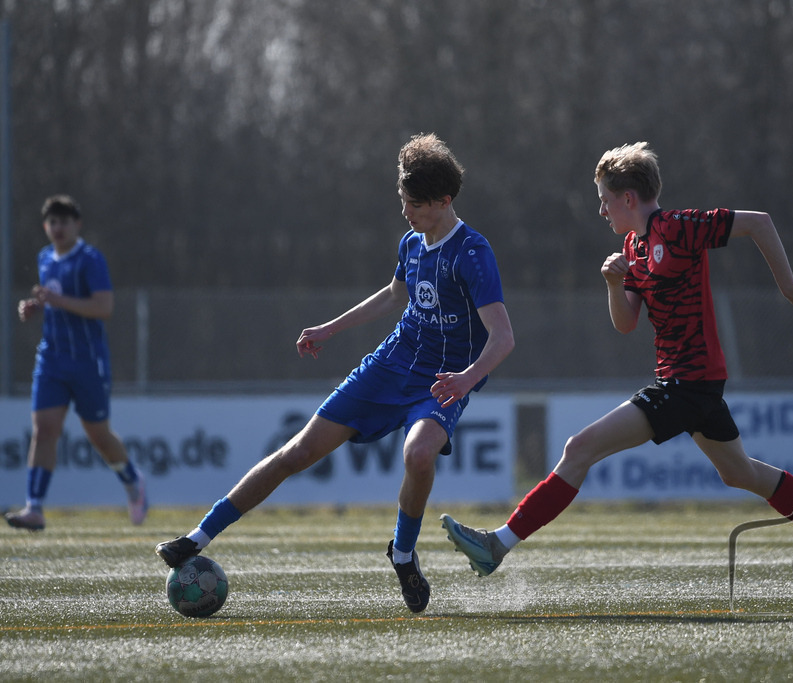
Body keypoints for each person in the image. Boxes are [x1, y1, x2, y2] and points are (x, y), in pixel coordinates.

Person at [441, 141, 793, 599]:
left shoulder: (678, 226)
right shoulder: (633, 246)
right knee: (739, 472)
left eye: (605, 200)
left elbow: (759, 222)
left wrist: (790, 288)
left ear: (628, 198)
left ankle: (498, 545)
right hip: (690, 383)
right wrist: (613, 283)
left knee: (579, 447)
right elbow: (626, 323)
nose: (601, 210)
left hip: (687, 382)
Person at [155, 133, 515, 614]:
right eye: (402, 199)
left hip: (441, 382)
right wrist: (330, 328)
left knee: (419, 455)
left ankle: (402, 554)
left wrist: (467, 378)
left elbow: (503, 338)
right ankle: (196, 538)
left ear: (443, 201)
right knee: (296, 452)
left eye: (413, 204)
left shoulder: (472, 252)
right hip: (389, 366)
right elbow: (394, 296)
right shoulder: (412, 243)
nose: (405, 211)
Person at [5, 195, 147, 531]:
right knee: (44, 430)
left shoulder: (90, 259)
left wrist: (57, 300)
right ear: (45, 226)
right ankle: (34, 507)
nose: (58, 228)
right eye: (52, 222)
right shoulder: (45, 258)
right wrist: (36, 307)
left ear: (77, 224)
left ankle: (132, 480)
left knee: (98, 435)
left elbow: (103, 307)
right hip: (51, 358)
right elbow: (56, 302)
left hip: (87, 361)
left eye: (64, 222)